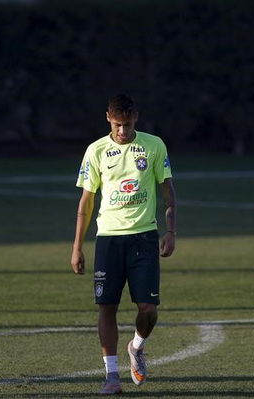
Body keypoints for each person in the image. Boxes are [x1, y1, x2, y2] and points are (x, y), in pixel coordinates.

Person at [70, 94, 176, 395]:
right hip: (109, 239)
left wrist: (171, 231)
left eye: (127, 125)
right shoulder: (96, 151)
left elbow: (168, 191)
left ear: (136, 119)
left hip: (144, 236)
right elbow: (86, 202)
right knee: (107, 307)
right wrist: (77, 246)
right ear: (108, 118)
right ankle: (112, 376)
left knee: (149, 309)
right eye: (117, 125)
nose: (122, 132)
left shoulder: (154, 145)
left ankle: (137, 347)